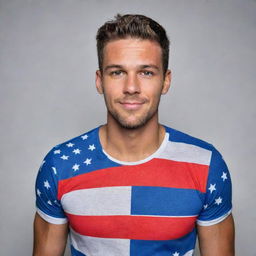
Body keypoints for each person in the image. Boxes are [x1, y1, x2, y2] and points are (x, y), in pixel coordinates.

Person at [33, 14, 235, 256]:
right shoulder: (60, 165)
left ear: (166, 81)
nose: (131, 87)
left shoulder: (206, 164)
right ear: (99, 81)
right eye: (117, 72)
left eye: (146, 72)